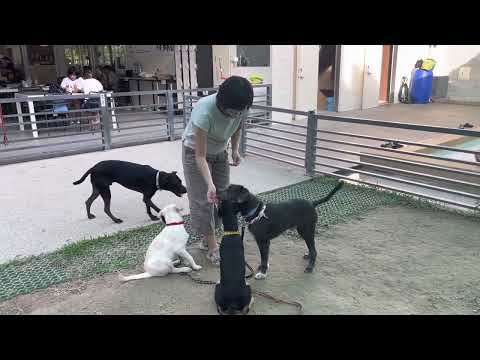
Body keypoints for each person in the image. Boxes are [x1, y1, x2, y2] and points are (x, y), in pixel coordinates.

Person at [182, 76, 253, 266]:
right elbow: (200, 156)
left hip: (220, 150)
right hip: (195, 152)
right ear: (221, 103)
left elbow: (238, 126)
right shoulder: (204, 111)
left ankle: (208, 237)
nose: (236, 115)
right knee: (204, 199)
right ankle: (212, 245)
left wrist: (235, 150)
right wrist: (209, 184)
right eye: (233, 112)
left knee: (223, 197)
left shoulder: (240, 109)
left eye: (241, 111)